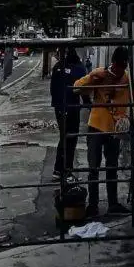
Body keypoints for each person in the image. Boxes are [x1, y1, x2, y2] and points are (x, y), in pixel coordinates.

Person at [74, 46, 134, 218]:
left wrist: (129, 119)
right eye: (118, 66)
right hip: (96, 126)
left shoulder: (126, 79)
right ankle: (92, 206)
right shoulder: (100, 74)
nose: (120, 70)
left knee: (112, 168)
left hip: (114, 131)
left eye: (123, 67)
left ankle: (113, 204)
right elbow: (77, 86)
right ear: (113, 62)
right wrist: (93, 78)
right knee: (93, 167)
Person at [50, 47, 85, 183]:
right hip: (72, 108)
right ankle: (67, 171)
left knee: (64, 137)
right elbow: (84, 89)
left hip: (59, 107)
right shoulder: (78, 68)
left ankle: (58, 170)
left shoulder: (58, 67)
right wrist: (87, 103)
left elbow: (52, 89)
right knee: (71, 138)